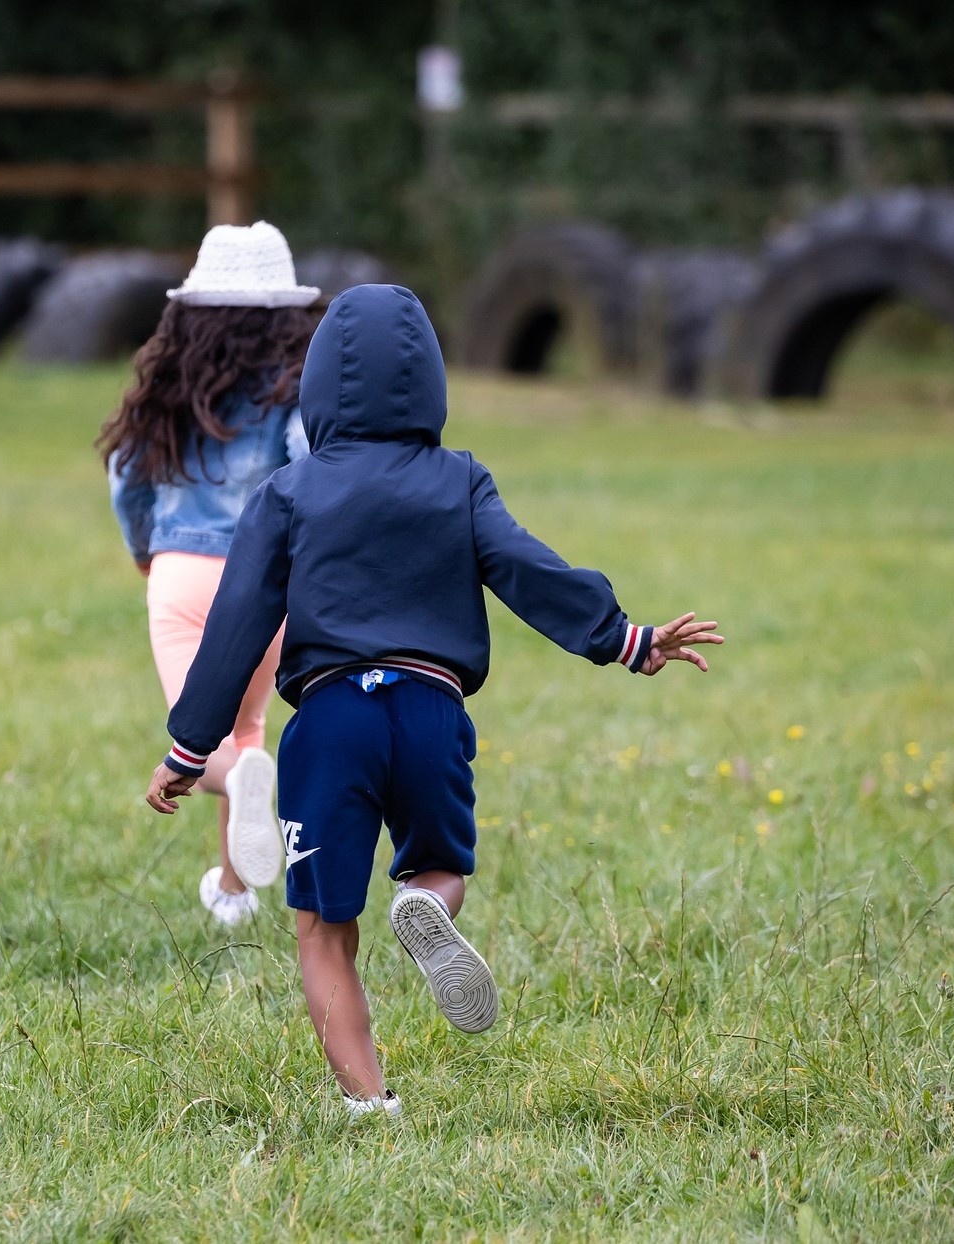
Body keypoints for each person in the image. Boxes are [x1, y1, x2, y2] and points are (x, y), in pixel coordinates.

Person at [143, 284, 723, 1115]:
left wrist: (189, 748)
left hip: (331, 721)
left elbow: (235, 627)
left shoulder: (289, 492)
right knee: (440, 862)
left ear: (316, 387)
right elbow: (527, 569)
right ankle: (423, 905)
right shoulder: (458, 480)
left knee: (322, 930)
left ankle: (369, 1105)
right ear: (429, 383)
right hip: (428, 710)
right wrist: (624, 639)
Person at [98, 221, 321, 926]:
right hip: (267, 585)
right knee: (245, 729)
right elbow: (308, 462)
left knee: (210, 746)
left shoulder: (170, 380)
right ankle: (232, 893)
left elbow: (125, 473)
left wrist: (144, 548)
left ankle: (240, 827)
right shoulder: (294, 385)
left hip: (182, 574)